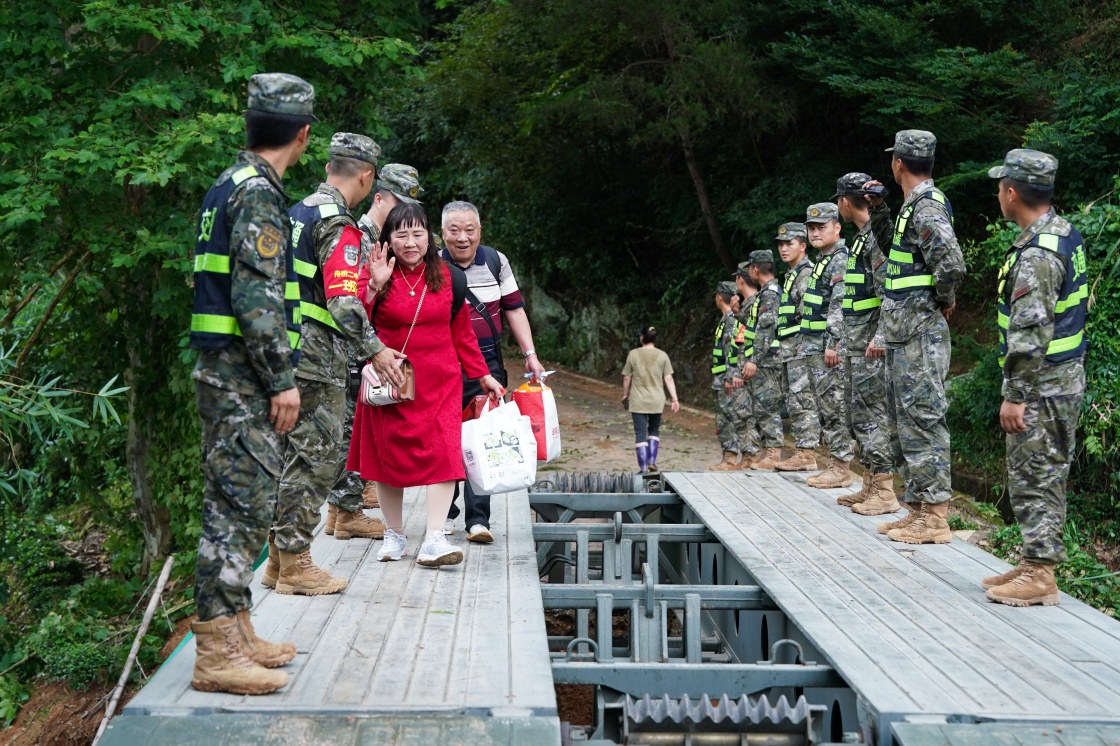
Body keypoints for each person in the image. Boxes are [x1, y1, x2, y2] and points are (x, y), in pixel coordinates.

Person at [187, 72, 315, 695]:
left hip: (225, 373)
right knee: (237, 507)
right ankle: (216, 652)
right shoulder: (259, 197)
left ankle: (238, 631)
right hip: (241, 377)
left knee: (237, 504)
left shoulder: (229, 185)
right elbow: (256, 299)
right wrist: (281, 380)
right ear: (303, 134)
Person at [268, 134, 396, 599]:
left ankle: (276, 563)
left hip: (285, 351)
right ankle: (298, 563)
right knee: (316, 460)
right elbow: (342, 302)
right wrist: (376, 349)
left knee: (287, 457)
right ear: (366, 176)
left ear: (328, 168)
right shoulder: (338, 224)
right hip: (317, 358)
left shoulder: (296, 213)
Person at [349, 203, 504, 566]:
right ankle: (394, 534)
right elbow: (354, 321)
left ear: (429, 237)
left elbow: (462, 330)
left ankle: (434, 537)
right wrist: (375, 284)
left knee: (444, 454)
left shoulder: (447, 276)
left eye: (417, 233)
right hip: (392, 382)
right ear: (388, 239)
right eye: (400, 234)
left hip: (441, 382)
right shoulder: (375, 271)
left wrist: (482, 374)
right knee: (388, 460)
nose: (410, 242)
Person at [982, 150, 1087, 607]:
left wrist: (1015, 396)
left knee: (1035, 474)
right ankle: (1033, 560)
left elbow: (1030, 332)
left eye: (1000, 186)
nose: (998, 193)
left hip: (1042, 384)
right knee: (1043, 472)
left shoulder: (1038, 255)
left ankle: (1041, 574)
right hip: (1061, 379)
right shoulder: (1063, 234)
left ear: (1011, 193)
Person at [876, 130, 967, 544]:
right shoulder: (911, 208)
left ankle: (935, 517)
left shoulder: (927, 208)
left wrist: (942, 300)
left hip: (920, 332)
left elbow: (951, 265)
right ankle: (918, 508)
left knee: (925, 418)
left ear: (898, 163)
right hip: (903, 332)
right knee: (906, 422)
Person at [440, 201, 545, 543]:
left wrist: (530, 354)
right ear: (442, 233)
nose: (462, 237)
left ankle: (478, 520)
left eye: (469, 229)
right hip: (442, 363)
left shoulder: (496, 261)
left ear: (480, 231)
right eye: (454, 230)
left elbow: (514, 310)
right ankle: (444, 512)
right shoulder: (432, 265)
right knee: (445, 439)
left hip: (487, 363)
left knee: (482, 438)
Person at [327, 164, 426, 522]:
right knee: (351, 429)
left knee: (355, 427)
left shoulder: (383, 237)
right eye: (398, 203)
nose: (404, 214)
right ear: (380, 196)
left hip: (368, 349)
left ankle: (345, 507)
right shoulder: (359, 236)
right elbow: (348, 299)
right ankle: (345, 509)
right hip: (355, 348)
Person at [833, 172, 902, 515]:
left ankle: (886, 492)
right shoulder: (862, 237)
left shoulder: (875, 237)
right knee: (858, 416)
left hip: (870, 346)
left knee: (873, 416)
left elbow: (887, 289)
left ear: (846, 202)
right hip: (856, 343)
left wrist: (881, 335)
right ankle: (870, 483)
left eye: (838, 200)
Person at [802, 203, 856, 489]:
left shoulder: (839, 258)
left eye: (821, 227)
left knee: (834, 405)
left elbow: (839, 302)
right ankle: (834, 463)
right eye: (811, 228)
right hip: (813, 346)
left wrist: (834, 342)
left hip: (828, 347)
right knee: (825, 406)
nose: (815, 232)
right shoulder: (825, 258)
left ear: (837, 227)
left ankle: (841, 466)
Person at [772, 223, 822, 472]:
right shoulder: (791, 274)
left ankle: (807, 453)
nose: (783, 248)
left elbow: (808, 314)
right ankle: (802, 451)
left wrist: (802, 349)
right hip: (790, 349)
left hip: (801, 350)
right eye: (780, 244)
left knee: (803, 400)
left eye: (789, 243)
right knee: (794, 400)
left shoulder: (805, 274)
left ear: (803, 246)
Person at [742, 251, 786, 470]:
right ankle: (769, 451)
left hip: (767, 360)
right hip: (764, 359)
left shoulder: (770, 293)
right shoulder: (765, 293)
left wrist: (754, 359)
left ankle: (774, 453)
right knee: (762, 406)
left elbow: (767, 329)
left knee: (767, 406)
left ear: (755, 269)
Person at [621, 324, 680, 473]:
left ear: (642, 337)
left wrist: (625, 394)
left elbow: (627, 377)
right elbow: (669, 379)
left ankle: (643, 468)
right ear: (655, 338)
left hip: (638, 400)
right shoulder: (662, 355)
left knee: (640, 433)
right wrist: (674, 399)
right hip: (657, 399)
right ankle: (652, 461)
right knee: (654, 430)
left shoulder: (633, 354)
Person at [709, 281, 746, 470]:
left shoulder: (733, 322)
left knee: (730, 418)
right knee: (724, 419)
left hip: (728, 381)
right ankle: (728, 457)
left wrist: (731, 377)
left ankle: (731, 457)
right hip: (722, 379)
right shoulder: (726, 321)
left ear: (718, 297)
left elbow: (736, 351)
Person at [731, 266, 763, 466]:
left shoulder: (756, 304)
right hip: (747, 366)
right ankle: (749, 455)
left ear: (741, 280)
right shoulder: (748, 306)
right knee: (744, 413)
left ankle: (752, 455)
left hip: (754, 367)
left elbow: (754, 340)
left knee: (752, 413)